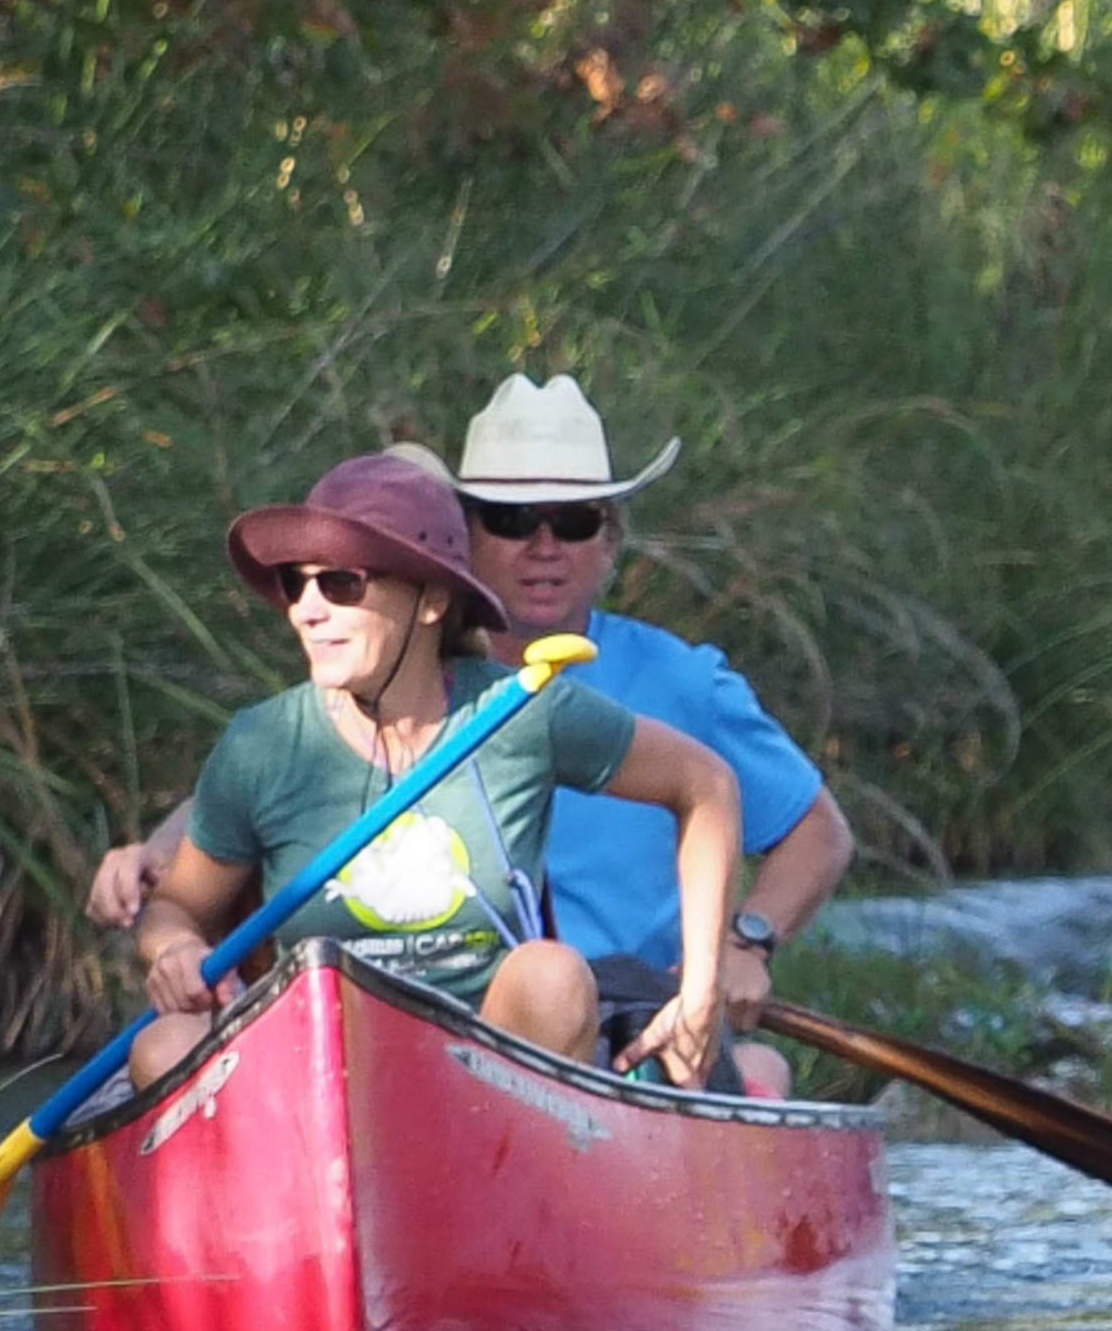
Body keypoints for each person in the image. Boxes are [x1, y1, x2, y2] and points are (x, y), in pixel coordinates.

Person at [126, 449, 739, 1091]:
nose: (307, 609)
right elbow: (175, 907)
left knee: (552, 974)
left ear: (430, 603)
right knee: (166, 1045)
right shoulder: (262, 743)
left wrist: (701, 990)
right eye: (295, 584)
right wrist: (172, 949)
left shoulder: (520, 711)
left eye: (340, 584)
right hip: (317, 1076)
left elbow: (707, 786)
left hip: (489, 1078)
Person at [446, 372, 854, 1075]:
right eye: (513, 520)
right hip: (450, 1016)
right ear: (464, 534)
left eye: (573, 522)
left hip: (633, 1027)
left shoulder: (681, 680)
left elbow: (817, 831)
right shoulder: (412, 678)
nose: (545, 546)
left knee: (761, 1074)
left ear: (609, 541)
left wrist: (743, 943)